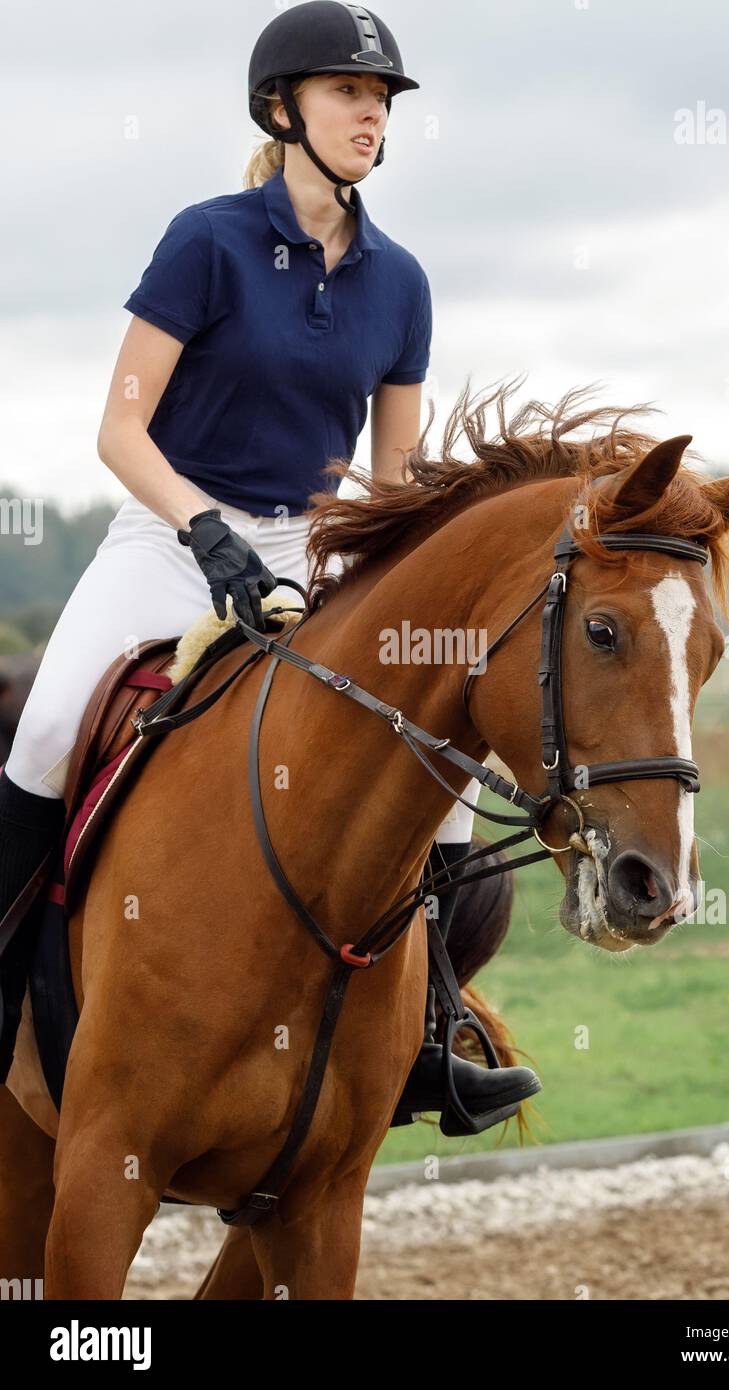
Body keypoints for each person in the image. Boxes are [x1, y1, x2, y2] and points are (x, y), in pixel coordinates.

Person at [0, 2, 540, 1130]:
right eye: (349, 92)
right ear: (281, 108)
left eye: (382, 99)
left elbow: (393, 479)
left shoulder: (401, 283)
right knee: (48, 731)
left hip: (309, 548)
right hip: (168, 535)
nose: (371, 115)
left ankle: (429, 1035)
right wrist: (204, 532)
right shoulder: (206, 240)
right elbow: (119, 430)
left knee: (428, 766)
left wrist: (371, 574)